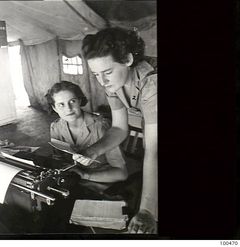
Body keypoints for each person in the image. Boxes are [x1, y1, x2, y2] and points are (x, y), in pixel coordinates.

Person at [74, 27, 157, 234]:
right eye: (96, 74)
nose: (102, 81)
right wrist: (92, 151)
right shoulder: (113, 83)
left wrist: (146, 211)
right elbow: (119, 127)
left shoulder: (153, 85)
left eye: (107, 72)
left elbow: (153, 152)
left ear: (128, 59)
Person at [46, 80, 128, 183]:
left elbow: (121, 174)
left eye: (72, 101)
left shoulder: (101, 126)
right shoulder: (55, 127)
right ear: (54, 108)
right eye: (61, 104)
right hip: (72, 178)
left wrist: (86, 175)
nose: (68, 109)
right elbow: (58, 159)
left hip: (102, 180)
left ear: (79, 101)